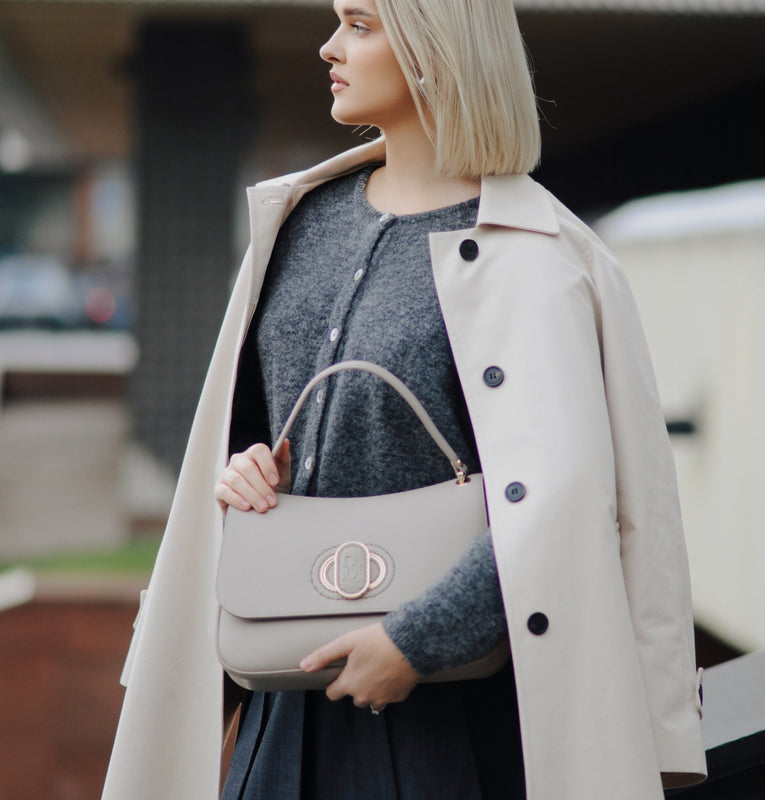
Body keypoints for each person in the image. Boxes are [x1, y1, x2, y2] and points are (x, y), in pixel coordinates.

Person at [102, 1, 707, 799]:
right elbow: (246, 425)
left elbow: (565, 494)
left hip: (455, 713)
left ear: (433, 47)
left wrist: (418, 641)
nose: (329, 48)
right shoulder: (298, 221)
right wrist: (245, 467)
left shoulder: (539, 255)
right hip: (283, 694)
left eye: (359, 24)